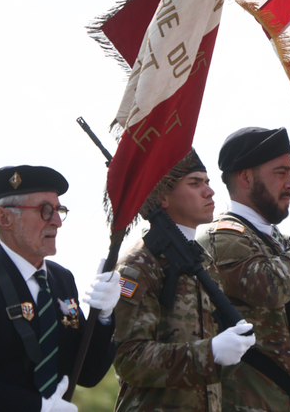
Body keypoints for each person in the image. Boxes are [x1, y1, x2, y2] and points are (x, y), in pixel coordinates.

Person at [0, 165, 118, 412]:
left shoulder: (61, 280)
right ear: (4, 218)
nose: (57, 222)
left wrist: (104, 318)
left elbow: (86, 374)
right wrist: (36, 407)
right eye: (45, 210)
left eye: (59, 210)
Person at [197, 126, 290, 412]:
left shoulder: (283, 244)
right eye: (281, 172)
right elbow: (270, 288)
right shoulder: (222, 236)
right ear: (246, 177)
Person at [112, 149, 255, 412]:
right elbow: (128, 359)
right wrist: (209, 353)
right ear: (162, 197)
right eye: (195, 183)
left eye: (208, 182)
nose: (209, 191)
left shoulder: (203, 262)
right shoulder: (140, 263)